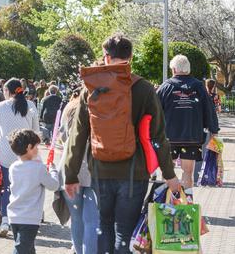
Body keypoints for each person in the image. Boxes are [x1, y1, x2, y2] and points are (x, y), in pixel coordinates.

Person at [64, 34, 181, 254]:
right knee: (124, 234)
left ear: (106, 57)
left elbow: (77, 135)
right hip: (134, 173)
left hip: (99, 171)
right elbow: (159, 136)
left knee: (103, 228)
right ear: (131, 57)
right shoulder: (144, 88)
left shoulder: (90, 88)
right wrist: (169, 174)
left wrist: (70, 175)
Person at [157, 55, 218, 189]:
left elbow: (154, 111)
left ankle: (167, 203)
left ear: (173, 69)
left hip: (168, 137)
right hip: (191, 136)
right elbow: (209, 109)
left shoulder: (165, 87)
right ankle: (186, 204)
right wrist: (214, 130)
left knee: (167, 172)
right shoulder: (199, 87)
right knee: (187, 172)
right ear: (188, 69)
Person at [0, 78, 40, 238]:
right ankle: (24, 220)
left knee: (6, 187)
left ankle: (5, 219)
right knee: (25, 188)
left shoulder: (0, 106)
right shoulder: (30, 106)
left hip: (6, 152)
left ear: (7, 91)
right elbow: (35, 131)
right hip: (26, 153)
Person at [58, 88, 99, 253]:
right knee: (92, 221)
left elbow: (62, 138)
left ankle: (78, 250)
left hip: (70, 167)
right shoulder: (100, 109)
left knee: (76, 219)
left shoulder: (69, 108)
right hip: (92, 167)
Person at [7, 129, 59, 254]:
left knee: (28, 249)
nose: (38, 149)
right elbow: (53, 185)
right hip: (29, 218)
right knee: (21, 249)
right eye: (36, 146)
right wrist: (53, 171)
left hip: (14, 216)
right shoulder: (38, 168)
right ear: (29, 147)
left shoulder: (13, 167)